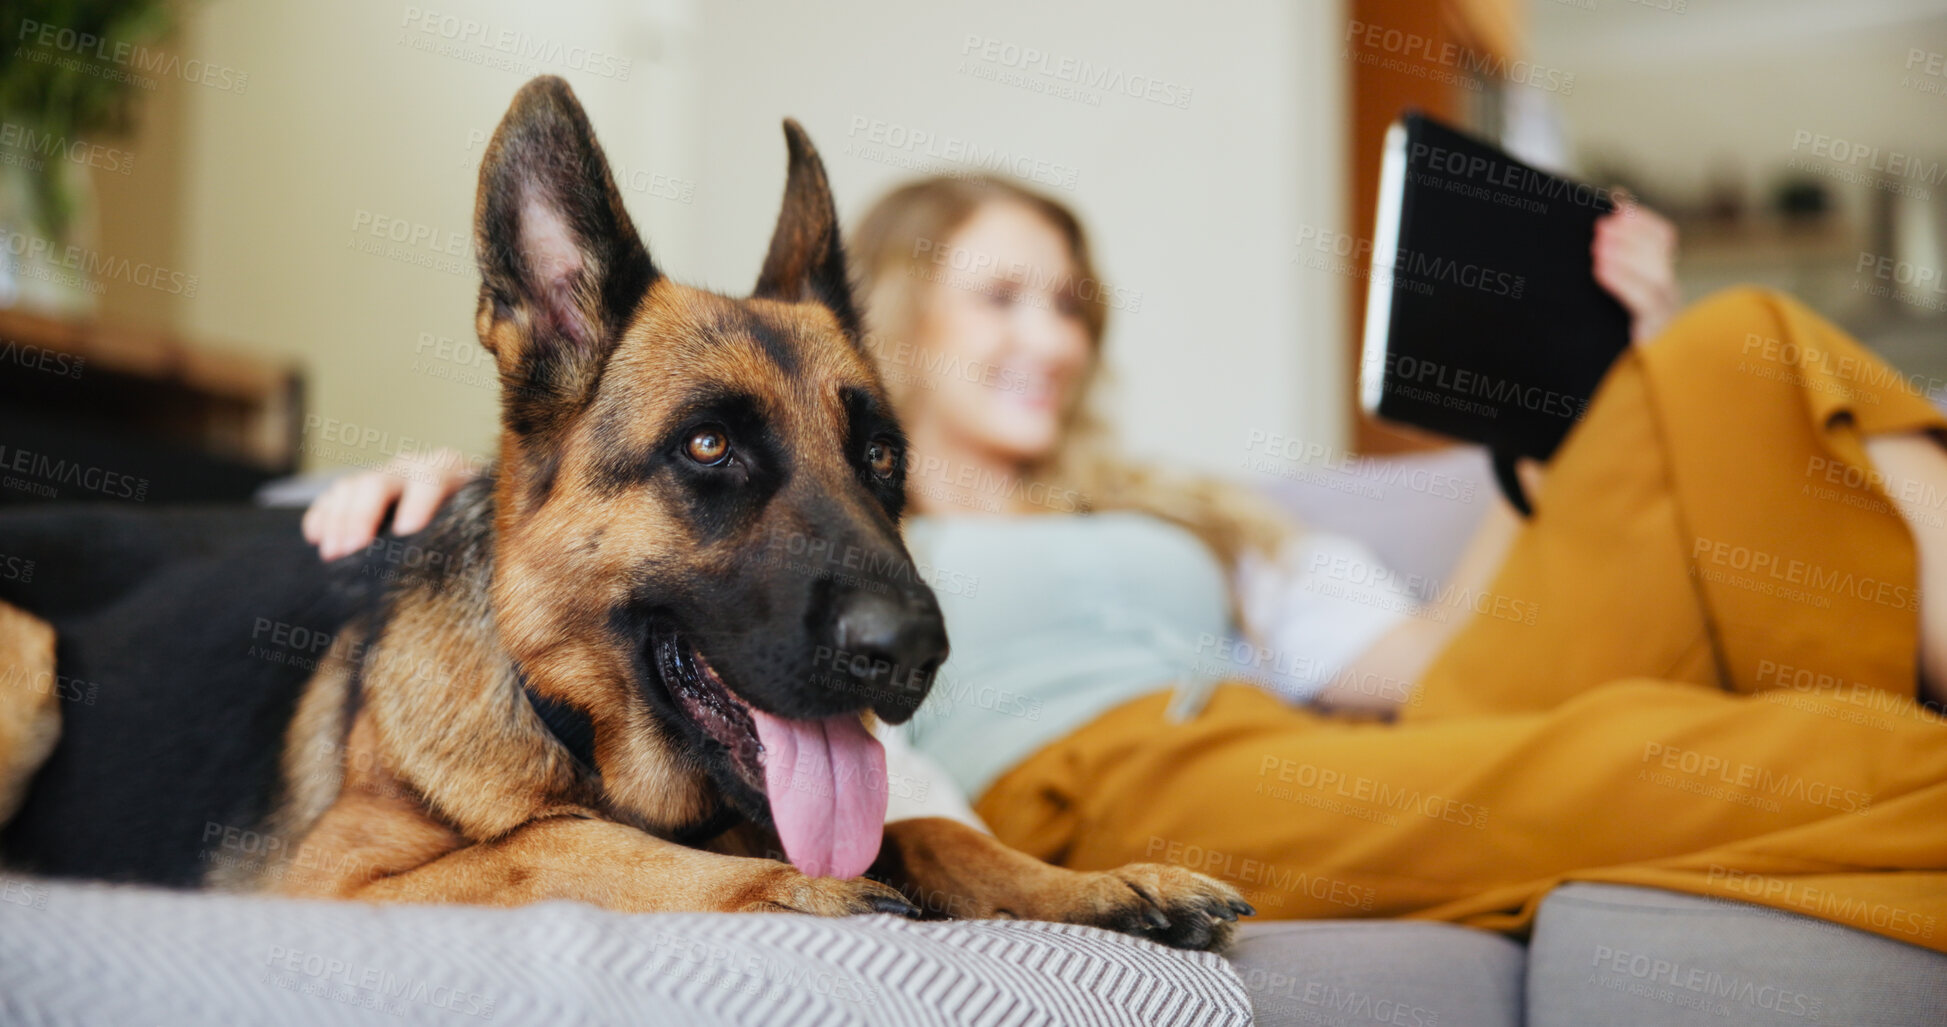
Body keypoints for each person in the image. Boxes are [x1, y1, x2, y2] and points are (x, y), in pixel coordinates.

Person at [304, 175, 1947, 952]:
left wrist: (1584, 416)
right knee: (1810, 753)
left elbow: (1436, 673)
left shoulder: (1195, 515)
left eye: (1075, 303)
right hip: (1100, 797)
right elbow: (575, 535)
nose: (1052, 336)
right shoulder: (795, 523)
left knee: (1729, 349)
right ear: (893, 313)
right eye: (1005, 294)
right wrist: (437, 495)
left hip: (1345, 747)